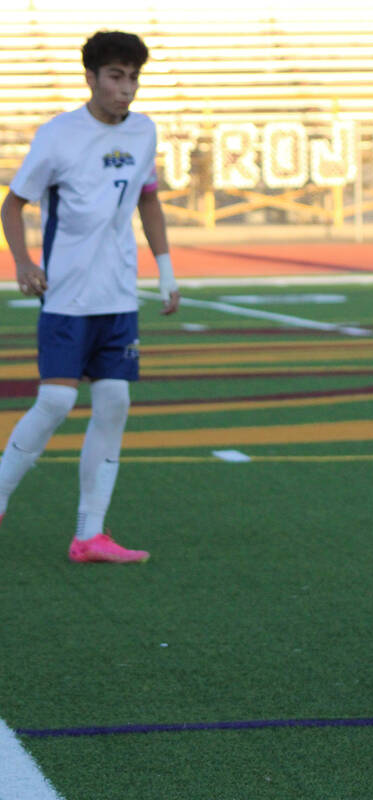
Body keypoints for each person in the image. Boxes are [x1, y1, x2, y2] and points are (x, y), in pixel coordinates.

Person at [0, 30, 179, 563]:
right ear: (92, 78)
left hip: (119, 294)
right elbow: (13, 206)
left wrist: (166, 269)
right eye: (116, 77)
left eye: (133, 78)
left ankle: (89, 535)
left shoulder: (145, 131)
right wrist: (24, 262)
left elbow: (148, 199)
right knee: (55, 401)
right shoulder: (58, 136)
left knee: (114, 403)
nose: (126, 90)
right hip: (67, 294)